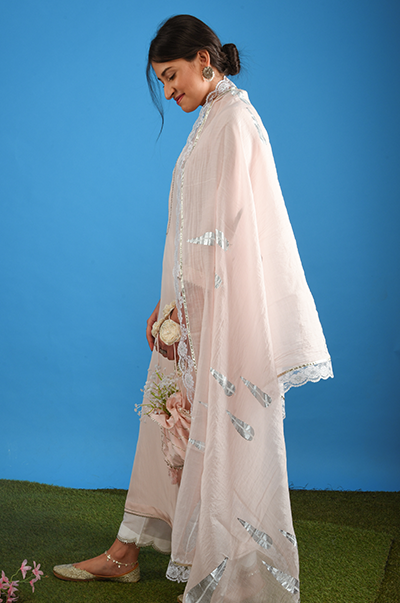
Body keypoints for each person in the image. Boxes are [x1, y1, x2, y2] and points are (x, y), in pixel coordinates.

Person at [53, 14, 333, 602]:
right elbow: (189, 228)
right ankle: (127, 549)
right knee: (164, 418)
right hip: (192, 307)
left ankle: (232, 567)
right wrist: (169, 303)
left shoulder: (233, 121)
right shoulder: (212, 119)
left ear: (205, 60)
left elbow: (231, 230)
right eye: (161, 80)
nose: (168, 90)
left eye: (172, 75)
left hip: (218, 313)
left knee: (220, 429)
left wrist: (190, 309)